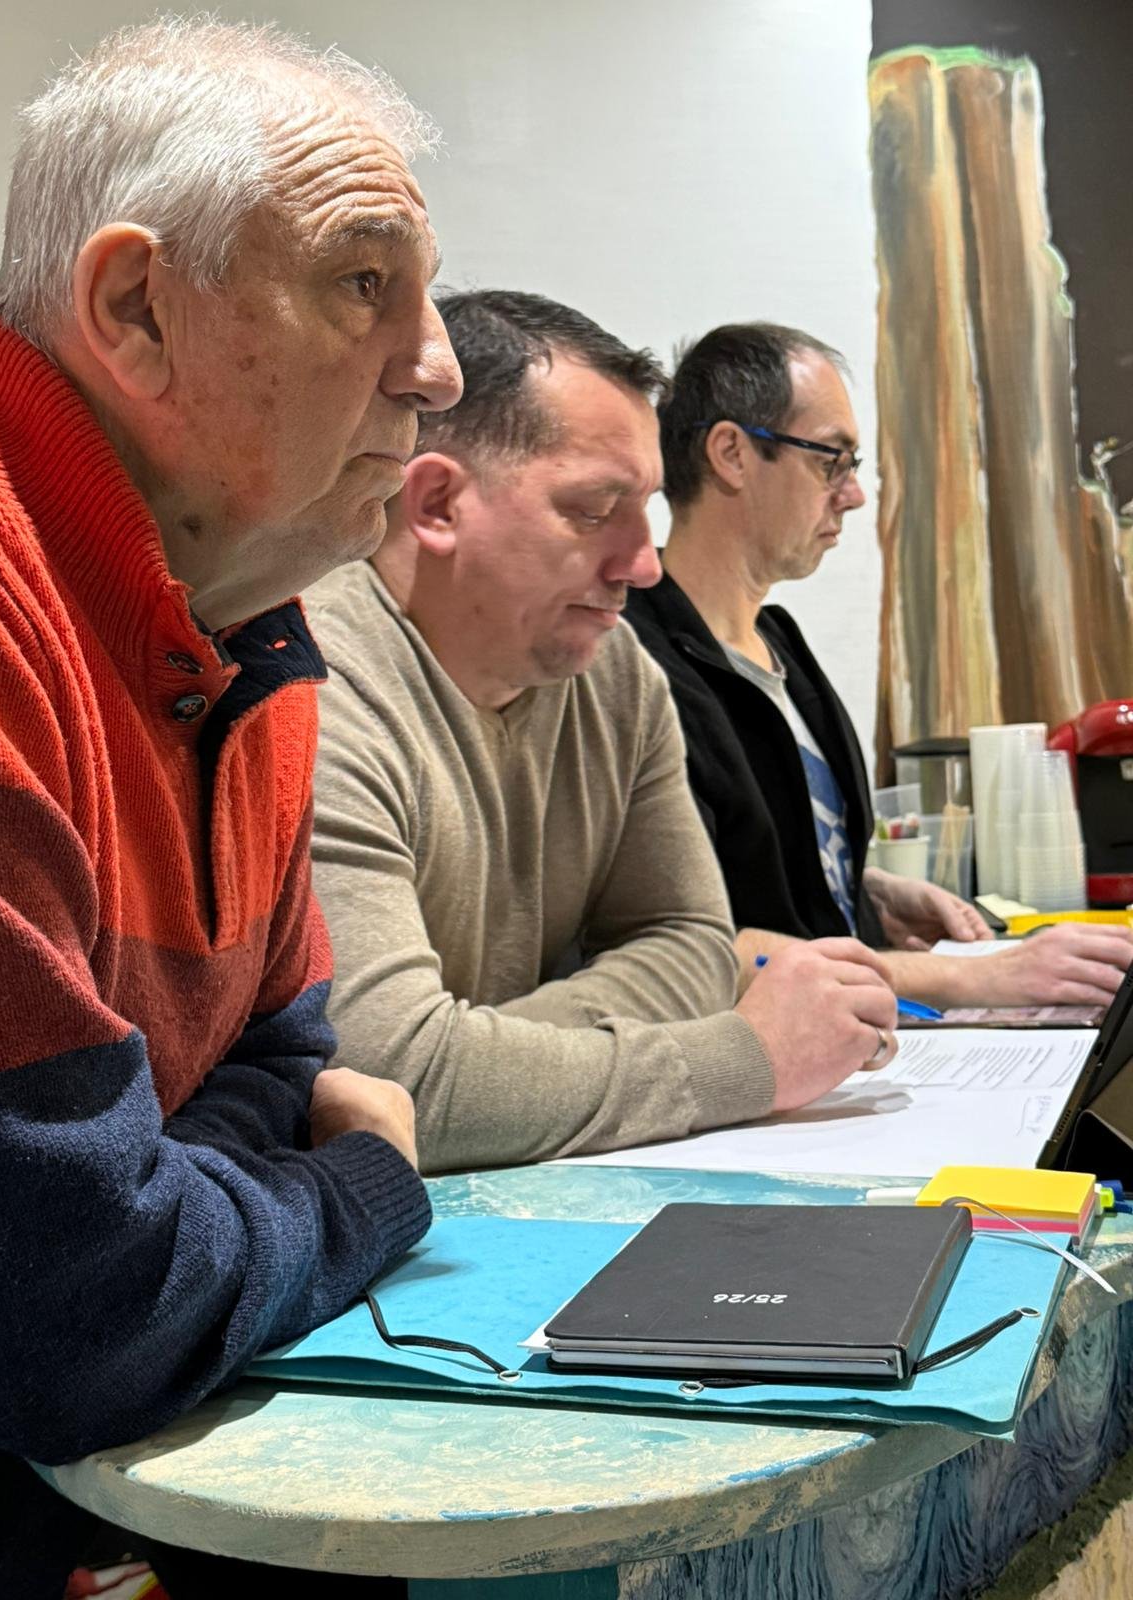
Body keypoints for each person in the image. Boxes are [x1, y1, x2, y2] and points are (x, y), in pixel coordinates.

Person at [0, 18, 463, 1597]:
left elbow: (281, 1067)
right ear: (133, 311)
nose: (438, 365)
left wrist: (147, 1199)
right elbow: (64, 1317)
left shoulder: (246, 636)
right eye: (365, 282)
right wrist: (369, 1187)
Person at [307, 290, 898, 1176]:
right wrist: (744, 1059)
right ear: (436, 504)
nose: (644, 564)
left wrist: (488, 1060)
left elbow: (694, 940)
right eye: (593, 510)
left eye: (646, 510)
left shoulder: (616, 672)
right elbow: (391, 1079)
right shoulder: (313, 686)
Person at [627, 322, 1133, 1008]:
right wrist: (973, 976)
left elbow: (752, 866)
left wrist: (868, 891)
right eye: (830, 461)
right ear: (732, 454)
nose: (854, 494)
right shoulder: (635, 664)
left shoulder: (778, 641)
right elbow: (683, 941)